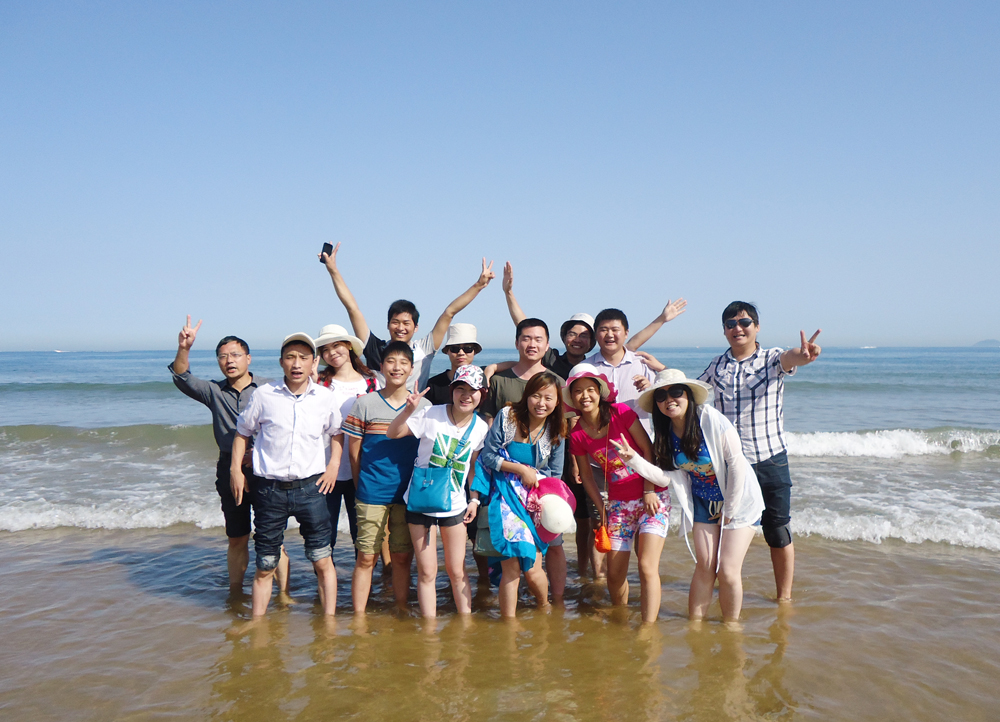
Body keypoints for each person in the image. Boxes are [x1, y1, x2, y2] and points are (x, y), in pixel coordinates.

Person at [613, 368, 765, 623]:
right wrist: (634, 460)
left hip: (737, 500)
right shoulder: (665, 433)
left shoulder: (710, 419)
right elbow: (666, 478)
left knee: (727, 570)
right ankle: (695, 627)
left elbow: (736, 463)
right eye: (661, 396)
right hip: (703, 502)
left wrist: (730, 509)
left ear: (688, 395)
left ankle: (731, 627)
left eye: (676, 392)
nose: (669, 400)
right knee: (705, 566)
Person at [699, 301, 821, 602]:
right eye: (731, 324)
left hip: (770, 460)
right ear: (724, 330)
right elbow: (694, 393)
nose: (737, 328)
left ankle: (784, 598)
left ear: (756, 327)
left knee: (777, 531)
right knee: (728, 530)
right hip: (731, 465)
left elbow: (792, 358)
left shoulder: (771, 358)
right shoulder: (717, 365)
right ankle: (727, 588)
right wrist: (661, 376)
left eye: (744, 323)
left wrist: (804, 355)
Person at [168, 315, 289, 594]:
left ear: (248, 358)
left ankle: (284, 595)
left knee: (274, 539)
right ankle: (235, 594)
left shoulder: (270, 388)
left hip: (266, 467)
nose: (229, 361)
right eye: (222, 357)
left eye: (235, 355)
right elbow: (181, 376)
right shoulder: (213, 391)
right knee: (237, 537)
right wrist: (184, 348)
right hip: (229, 468)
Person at [231, 333, 343, 617]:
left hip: (312, 489)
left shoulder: (324, 398)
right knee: (265, 564)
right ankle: (258, 624)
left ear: (314, 362)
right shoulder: (264, 395)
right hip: (269, 490)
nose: (297, 364)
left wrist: (333, 467)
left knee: (322, 559)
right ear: (281, 362)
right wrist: (235, 470)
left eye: (304, 358)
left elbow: (337, 433)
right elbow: (243, 432)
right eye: (290, 357)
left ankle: (329, 622)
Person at [565, 364, 670, 623]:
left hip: (652, 497)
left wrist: (648, 489)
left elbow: (648, 450)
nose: (585, 396)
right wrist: (602, 510)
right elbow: (587, 477)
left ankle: (648, 627)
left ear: (600, 392)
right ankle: (621, 621)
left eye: (590, 389)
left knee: (646, 565)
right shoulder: (577, 434)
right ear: (572, 398)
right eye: (578, 391)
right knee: (613, 574)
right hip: (619, 504)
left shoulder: (621, 412)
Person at [386, 365, 490, 618]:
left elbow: (473, 467)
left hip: (455, 505)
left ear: (482, 395)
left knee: (457, 570)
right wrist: (408, 410)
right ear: (452, 391)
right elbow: (393, 433)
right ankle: (429, 628)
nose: (466, 395)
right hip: (421, 500)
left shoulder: (480, 427)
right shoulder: (431, 413)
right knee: (427, 571)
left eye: (473, 391)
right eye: (461, 389)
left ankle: (465, 624)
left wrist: (474, 500)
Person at [321, 243, 495, 392]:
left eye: (406, 323)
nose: (400, 328)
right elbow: (353, 309)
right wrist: (333, 270)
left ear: (416, 327)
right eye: (395, 322)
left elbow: (449, 312)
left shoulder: (424, 349)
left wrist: (478, 286)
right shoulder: (375, 348)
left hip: (415, 415)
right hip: (379, 413)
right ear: (388, 325)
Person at [480, 318, 570, 599]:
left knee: (553, 546)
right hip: (504, 485)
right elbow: (488, 430)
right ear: (517, 342)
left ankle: (556, 602)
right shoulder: (499, 381)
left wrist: (546, 495)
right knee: (506, 558)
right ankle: (491, 597)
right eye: (526, 338)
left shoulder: (557, 384)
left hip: (540, 491)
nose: (532, 344)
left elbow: (556, 466)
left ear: (547, 344)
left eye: (538, 339)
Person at [342, 341, 428, 614]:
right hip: (372, 492)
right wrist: (362, 487)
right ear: (381, 366)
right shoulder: (364, 404)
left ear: (412, 369)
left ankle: (401, 610)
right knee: (366, 557)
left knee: (402, 557)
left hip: (409, 494)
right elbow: (354, 453)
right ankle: (359, 617)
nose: (397, 367)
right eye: (391, 361)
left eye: (404, 363)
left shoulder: (424, 406)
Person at [315, 324, 379, 549]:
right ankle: (327, 574)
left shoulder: (371, 381)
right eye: (325, 349)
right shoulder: (319, 382)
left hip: (361, 469)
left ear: (349, 346)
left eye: (336, 345)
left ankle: (366, 575)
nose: (332, 353)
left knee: (362, 536)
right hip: (325, 470)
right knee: (325, 537)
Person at [424, 323, 482, 405]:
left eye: (468, 348)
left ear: (474, 351)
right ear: (447, 351)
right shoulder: (434, 384)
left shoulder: (484, 379)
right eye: (454, 348)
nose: (461, 353)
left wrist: (492, 368)